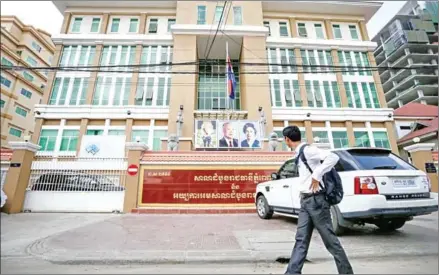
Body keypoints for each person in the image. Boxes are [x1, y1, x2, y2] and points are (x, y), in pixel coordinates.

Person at [282, 125, 353, 275]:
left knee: (330, 241)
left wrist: (317, 174)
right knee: (301, 239)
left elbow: (333, 157)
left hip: (317, 202)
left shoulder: (307, 150)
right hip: (306, 202)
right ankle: (292, 272)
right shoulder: (299, 153)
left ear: (287, 139)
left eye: (284, 139)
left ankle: (346, 272)